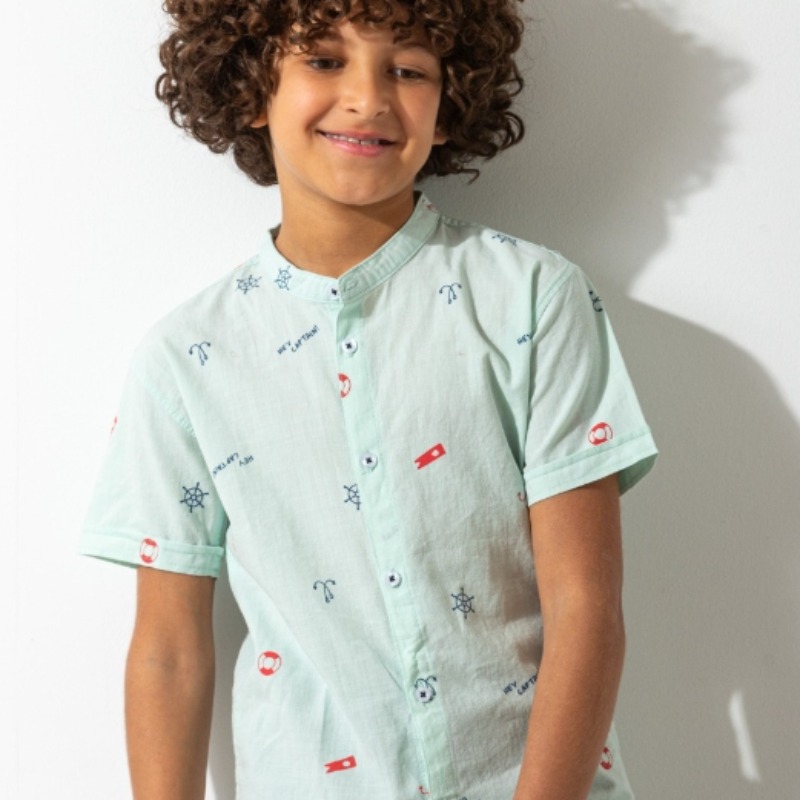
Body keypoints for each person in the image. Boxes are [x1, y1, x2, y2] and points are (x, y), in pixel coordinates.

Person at [80, 1, 658, 798]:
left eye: (408, 69)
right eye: (324, 60)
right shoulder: (185, 361)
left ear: (449, 103)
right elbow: (169, 652)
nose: (368, 98)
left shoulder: (533, 298)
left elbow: (586, 605)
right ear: (251, 86)